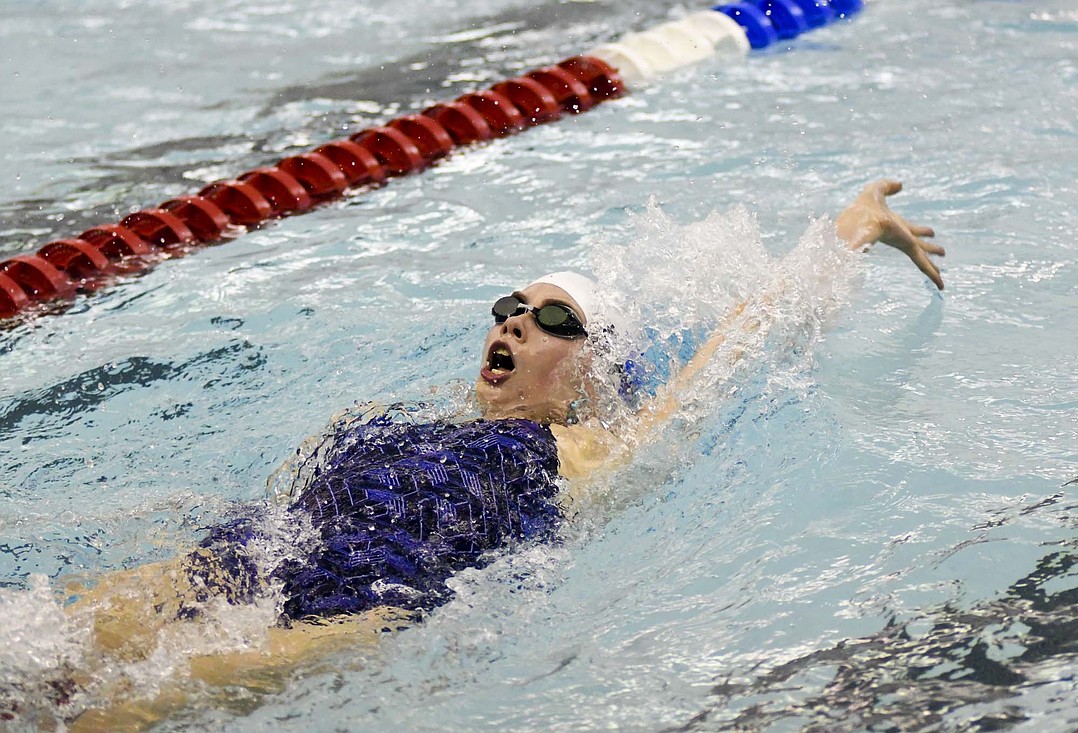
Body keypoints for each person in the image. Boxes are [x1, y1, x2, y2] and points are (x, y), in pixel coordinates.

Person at [31, 180, 944, 731]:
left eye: (555, 319)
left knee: (119, 713)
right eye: (512, 304)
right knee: (37, 640)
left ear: (593, 368)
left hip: (362, 607)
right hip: (258, 548)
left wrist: (852, 228)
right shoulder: (427, 419)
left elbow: (740, 342)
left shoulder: (592, 448)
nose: (516, 319)